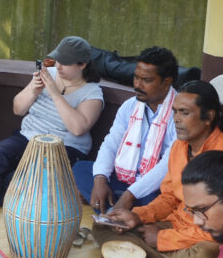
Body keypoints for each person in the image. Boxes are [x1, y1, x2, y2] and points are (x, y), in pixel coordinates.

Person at [95, 80, 223, 258]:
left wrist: (163, 238)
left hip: (204, 238)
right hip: (175, 225)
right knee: (103, 226)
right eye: (175, 112)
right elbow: (169, 198)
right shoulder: (179, 147)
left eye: (185, 113)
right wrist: (137, 216)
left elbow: (222, 229)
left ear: (208, 116)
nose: (177, 120)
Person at [0, 36, 104, 213]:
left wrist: (55, 94)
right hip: (28, 135)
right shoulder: (49, 74)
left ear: (82, 65)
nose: (58, 66)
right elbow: (17, 109)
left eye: (65, 63)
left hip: (64, 146)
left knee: (30, 173)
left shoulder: (92, 93)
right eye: (57, 60)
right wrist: (33, 89)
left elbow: (78, 128)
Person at [75, 46, 179, 213]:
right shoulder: (130, 106)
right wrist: (100, 180)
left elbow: (167, 166)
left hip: (152, 189)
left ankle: (114, 211)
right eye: (136, 77)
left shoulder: (180, 113)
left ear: (166, 82)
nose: (137, 85)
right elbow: (110, 144)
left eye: (146, 80)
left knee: (161, 200)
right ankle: (120, 213)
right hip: (124, 177)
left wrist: (130, 195)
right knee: (81, 170)